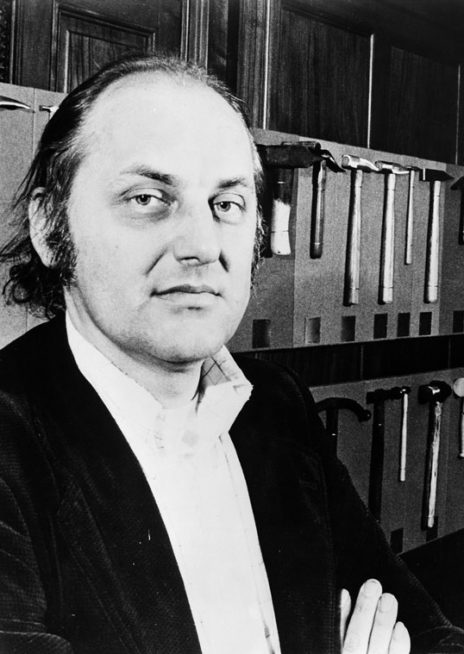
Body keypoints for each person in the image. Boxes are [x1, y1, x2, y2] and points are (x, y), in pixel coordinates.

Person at [0, 54, 461, 654]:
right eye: (147, 198)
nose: (202, 244)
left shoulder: (276, 403)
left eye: (227, 204)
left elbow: (426, 632)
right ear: (48, 226)